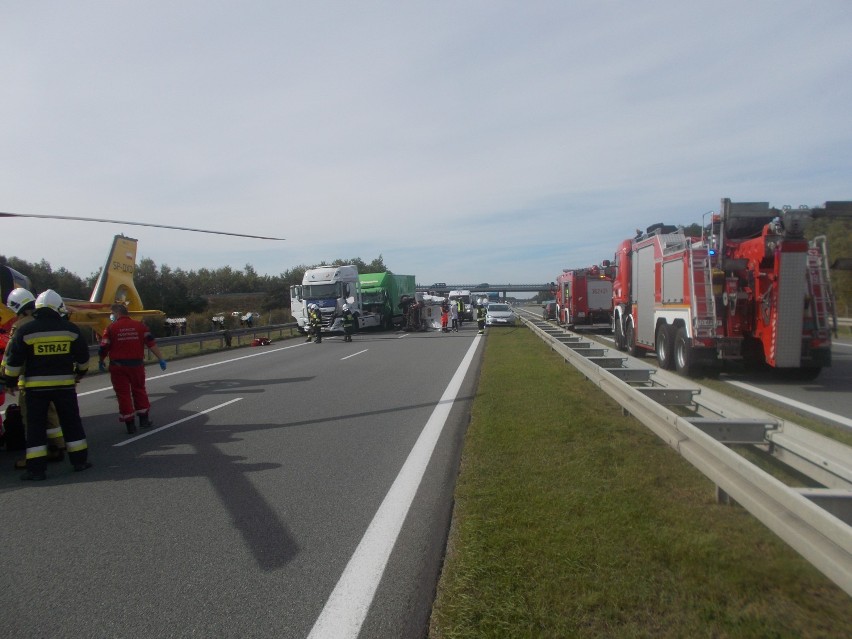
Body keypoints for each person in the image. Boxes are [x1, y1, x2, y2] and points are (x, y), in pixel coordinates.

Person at [2, 289, 91, 480]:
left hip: (35, 390)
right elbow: (83, 359)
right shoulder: (70, 329)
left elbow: (14, 361)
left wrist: (9, 381)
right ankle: (79, 462)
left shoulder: (25, 331)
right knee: (72, 424)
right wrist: (78, 375)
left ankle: (36, 470)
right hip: (65, 388)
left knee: (35, 430)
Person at [1, 288, 66, 469]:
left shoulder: (21, 326)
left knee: (31, 420)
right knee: (51, 416)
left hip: (30, 382)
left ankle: (34, 458)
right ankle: (58, 446)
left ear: (17, 308)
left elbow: (12, 355)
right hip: (55, 378)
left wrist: (7, 379)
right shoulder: (45, 322)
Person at [98, 303, 167, 434]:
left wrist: (101, 361)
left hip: (118, 367)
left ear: (117, 313)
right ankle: (144, 420)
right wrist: (160, 359)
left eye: (111, 314)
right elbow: (151, 343)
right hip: (136, 366)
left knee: (123, 394)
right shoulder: (140, 326)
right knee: (139, 390)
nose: (110, 316)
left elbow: (103, 347)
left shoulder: (111, 328)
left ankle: (130, 425)